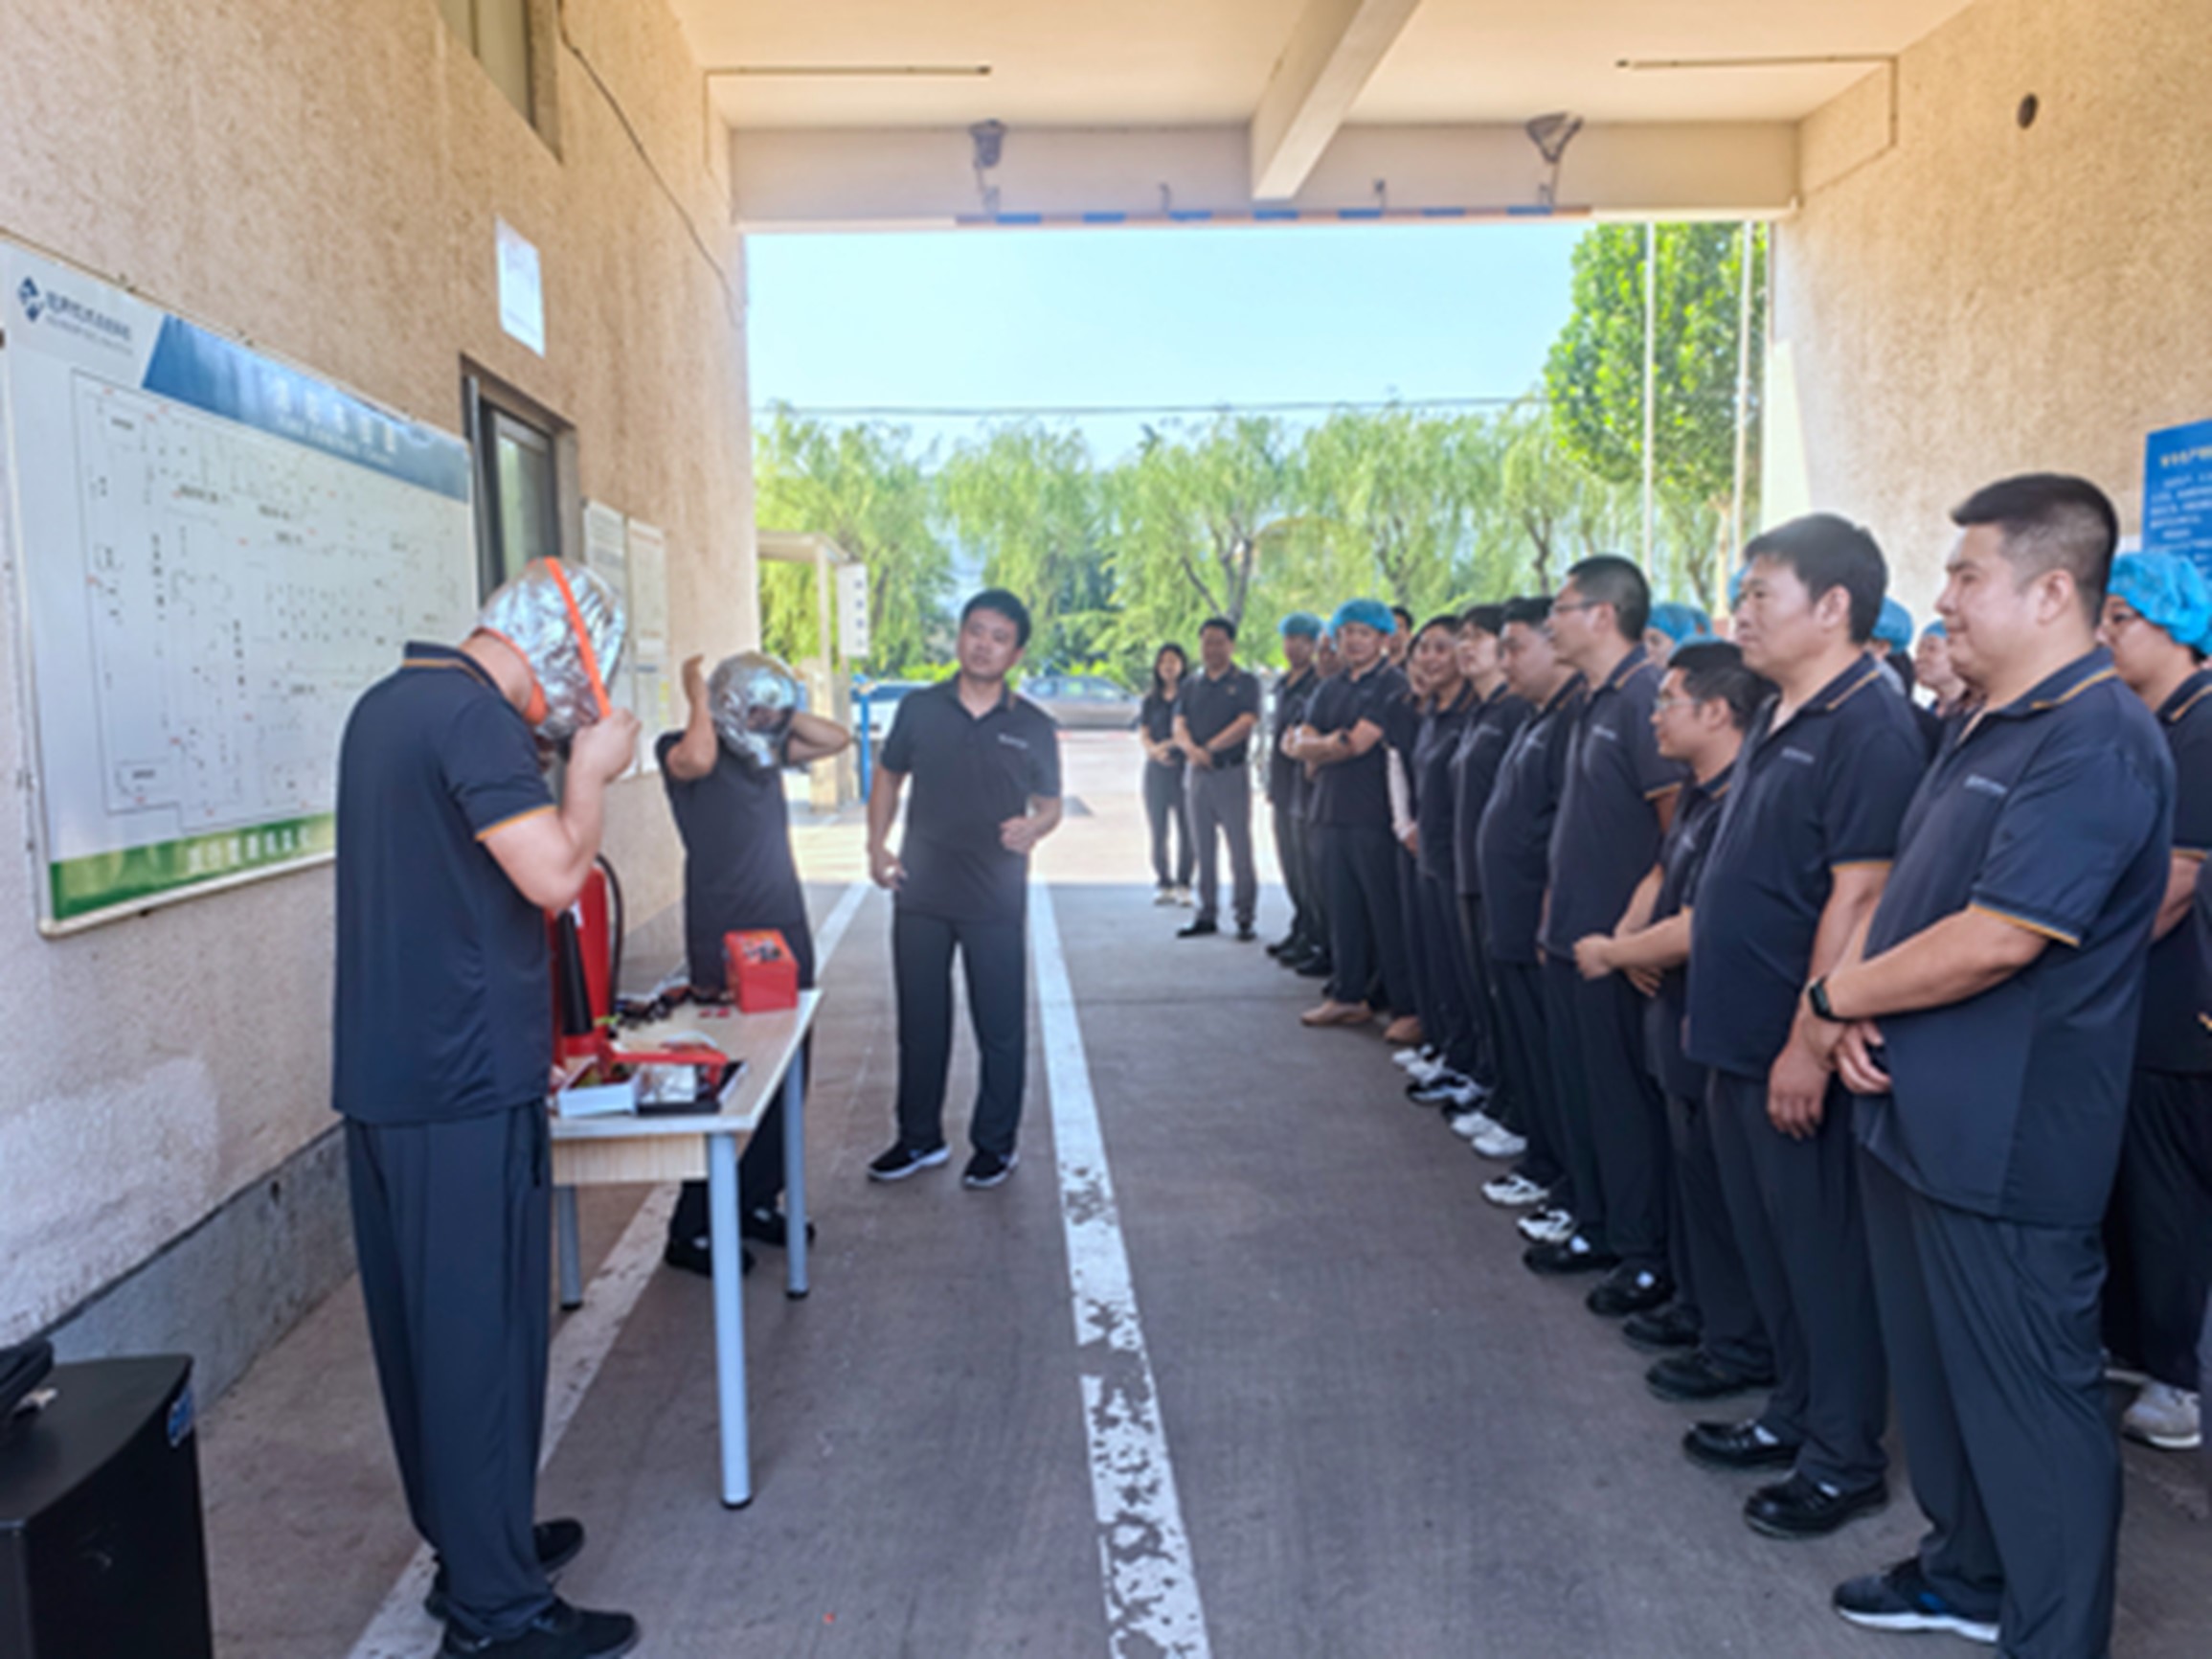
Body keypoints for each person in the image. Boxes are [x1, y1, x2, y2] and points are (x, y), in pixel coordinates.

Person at [1809, 475, 2169, 1657]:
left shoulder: (2096, 738)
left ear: (2053, 589)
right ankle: (1966, 1574)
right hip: (1920, 1118)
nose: (1945, 599)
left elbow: (2002, 935)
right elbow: (1924, 906)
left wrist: (1835, 997)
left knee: (2033, 1404)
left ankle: (2054, 1635)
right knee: (1950, 1389)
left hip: (2009, 1146)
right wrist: (1868, 1013)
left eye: (1967, 575)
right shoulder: (1990, 722)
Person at [333, 558, 641, 1659]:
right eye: (583, 686)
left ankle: (479, 1545)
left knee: (431, 1343)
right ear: (555, 656)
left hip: (396, 1077)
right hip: (459, 1085)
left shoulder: (387, 706)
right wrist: (593, 773)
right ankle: (499, 1615)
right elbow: (556, 876)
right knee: (481, 1343)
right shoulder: (473, 723)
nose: (580, 711)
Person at [1676, 515, 1922, 1542]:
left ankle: (1842, 1457)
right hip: (1736, 1033)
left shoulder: (1869, 724)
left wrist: (1805, 1041)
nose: (1741, 611)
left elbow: (1860, 897)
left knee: (1821, 1256)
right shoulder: (1785, 709)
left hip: (1793, 1042)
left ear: (1834, 607)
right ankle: (1794, 1412)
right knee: (1773, 1247)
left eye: (1760, 593)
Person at [1572, 642, 1775, 1401]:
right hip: (1674, 1019)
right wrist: (1630, 938)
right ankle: (1703, 1314)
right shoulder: (1700, 790)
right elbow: (1662, 872)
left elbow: (1704, 920)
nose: (1654, 715)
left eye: (1669, 702)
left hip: (1712, 1022)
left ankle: (1738, 1344)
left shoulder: (1746, 799)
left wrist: (1615, 952)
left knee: (1726, 1199)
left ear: (1719, 712)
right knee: (1693, 1180)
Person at [658, 651, 851, 1277]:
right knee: (725, 1078)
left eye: (772, 706)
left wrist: (781, 708)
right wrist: (699, 695)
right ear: (724, 702)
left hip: (784, 930)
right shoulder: (686, 750)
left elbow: (837, 738)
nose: (767, 717)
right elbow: (699, 757)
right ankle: (690, 1228)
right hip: (723, 935)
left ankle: (753, 1199)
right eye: (754, 703)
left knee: (789, 1072)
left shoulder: (765, 753)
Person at [866, 590, 1064, 1189]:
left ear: (1017, 651)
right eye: (975, 631)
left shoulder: (1032, 725)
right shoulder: (920, 710)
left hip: (995, 895)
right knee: (921, 1022)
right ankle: (918, 1138)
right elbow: (888, 777)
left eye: (999, 637)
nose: (984, 644)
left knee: (999, 1025)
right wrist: (876, 847)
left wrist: (1037, 826)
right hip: (920, 887)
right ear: (959, 637)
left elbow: (1051, 805)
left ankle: (995, 1144)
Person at [1529, 556, 1685, 1307]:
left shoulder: (1642, 700)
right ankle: (1595, 1221)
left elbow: (1675, 829)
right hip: (1571, 938)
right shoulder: (1591, 702)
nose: (1550, 621)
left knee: (1624, 1107)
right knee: (1584, 1096)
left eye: (1560, 608)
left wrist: (1638, 934)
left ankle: (1643, 1250)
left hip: (1616, 948)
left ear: (1601, 614)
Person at [2095, 550, 2212, 1453]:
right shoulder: (2158, 723)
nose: (2106, 633)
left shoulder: (2205, 726)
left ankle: (2176, 1380)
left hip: (2181, 1006)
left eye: (2123, 617)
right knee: (2135, 1185)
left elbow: (2174, 883)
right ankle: (2133, 1348)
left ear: (2176, 626)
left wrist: (2083, 974)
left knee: (2170, 1194)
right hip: (2141, 1002)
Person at [1473, 597, 1585, 1240]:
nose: (1504, 660)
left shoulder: (1575, 717)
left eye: (1515, 647)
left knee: (1555, 1064)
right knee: (1530, 1055)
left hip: (1546, 926)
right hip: (1513, 919)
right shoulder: (1535, 716)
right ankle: (1541, 1160)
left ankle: (1563, 1178)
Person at [1292, 601, 1415, 1032]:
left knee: (1385, 913)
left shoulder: (1392, 684)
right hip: (1327, 813)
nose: (1355, 641)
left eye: (1365, 633)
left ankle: (1405, 1007)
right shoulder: (1330, 686)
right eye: (1347, 632)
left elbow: (1358, 743)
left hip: (1373, 816)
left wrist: (1319, 748)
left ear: (1384, 639)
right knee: (1340, 911)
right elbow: (1300, 739)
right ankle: (1348, 995)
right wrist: (1325, 745)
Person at [1446, 603, 1533, 1164]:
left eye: (1481, 639)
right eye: (1468, 639)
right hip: (1471, 872)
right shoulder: (1482, 711)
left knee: (1515, 1012)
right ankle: (1497, 1092)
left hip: (1510, 888)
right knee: (1485, 995)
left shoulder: (1516, 712)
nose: (1468, 648)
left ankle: (1517, 1112)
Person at [1401, 617, 1485, 1103]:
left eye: (1441, 647)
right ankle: (1451, 1052)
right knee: (1440, 965)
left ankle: (1472, 1068)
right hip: (1430, 856)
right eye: (1422, 650)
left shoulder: (1475, 717)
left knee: (1466, 973)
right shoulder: (1432, 714)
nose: (1428, 658)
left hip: (1461, 863)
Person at [1174, 616, 1262, 941]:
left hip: (1230, 773)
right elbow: (1178, 724)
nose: (1211, 648)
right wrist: (1191, 751)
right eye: (1206, 641)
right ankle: (1206, 912)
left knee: (1239, 847)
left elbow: (1246, 721)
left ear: (1231, 645)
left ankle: (1244, 916)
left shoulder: (1245, 682)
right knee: (1202, 846)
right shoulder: (1191, 684)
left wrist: (1210, 748)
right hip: (1196, 773)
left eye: (1219, 641)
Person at [1266, 614, 1326, 961]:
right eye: (1289, 639)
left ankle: (1316, 935)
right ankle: (1301, 926)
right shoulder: (1283, 683)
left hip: (1305, 791)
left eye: (1302, 640)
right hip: (1282, 786)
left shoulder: (1317, 685)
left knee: (1308, 871)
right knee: (1289, 864)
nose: (1294, 647)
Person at [1137, 644, 1194, 906]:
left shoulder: (1191, 696)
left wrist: (1171, 746)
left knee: (1187, 828)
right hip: (1156, 771)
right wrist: (1153, 751)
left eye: (1173, 661)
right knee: (1158, 829)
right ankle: (1164, 882)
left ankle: (1184, 883)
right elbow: (1144, 732)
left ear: (1183, 665)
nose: (1168, 666)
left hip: (1183, 770)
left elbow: (1191, 732)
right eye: (1163, 662)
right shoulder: (1151, 699)